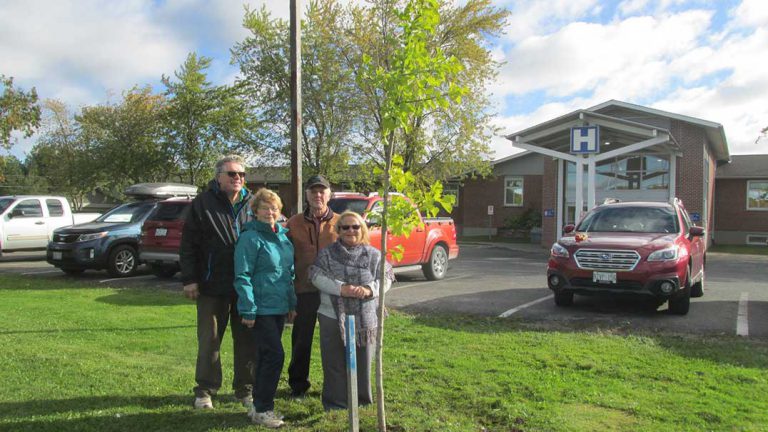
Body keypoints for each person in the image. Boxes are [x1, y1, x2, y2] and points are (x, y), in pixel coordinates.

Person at [180, 154, 256, 410]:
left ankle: (245, 390)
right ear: (218, 177)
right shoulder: (203, 203)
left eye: (242, 174)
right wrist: (190, 279)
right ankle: (205, 390)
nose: (238, 178)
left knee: (246, 340)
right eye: (232, 174)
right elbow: (188, 244)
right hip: (212, 285)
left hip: (246, 287)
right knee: (210, 340)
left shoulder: (253, 202)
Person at [309, 210, 393, 411]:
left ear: (362, 229)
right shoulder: (327, 254)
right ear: (338, 230)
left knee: (363, 362)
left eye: (355, 226)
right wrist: (341, 289)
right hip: (332, 315)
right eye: (345, 227)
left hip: (366, 317)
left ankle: (362, 402)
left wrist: (368, 290)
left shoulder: (373, 255)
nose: (350, 230)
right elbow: (316, 276)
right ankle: (335, 403)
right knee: (334, 362)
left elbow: (386, 277)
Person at [234, 189, 296, 428]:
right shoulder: (250, 238)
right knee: (274, 355)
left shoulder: (282, 237)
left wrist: (291, 303)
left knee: (264, 357)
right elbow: (243, 275)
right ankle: (263, 409)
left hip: (279, 306)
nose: (270, 212)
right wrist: (248, 308)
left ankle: (258, 406)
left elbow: (287, 273)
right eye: (265, 207)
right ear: (255, 211)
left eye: (274, 208)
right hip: (260, 308)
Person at [285, 174, 339, 397]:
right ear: (306, 195)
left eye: (322, 191)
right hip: (304, 291)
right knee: (301, 340)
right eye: (313, 191)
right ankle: (298, 385)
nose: (318, 195)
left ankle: (336, 385)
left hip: (334, 292)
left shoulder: (342, 222)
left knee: (336, 340)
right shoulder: (293, 223)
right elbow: (285, 259)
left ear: (329, 194)